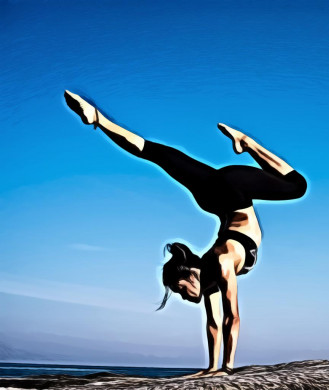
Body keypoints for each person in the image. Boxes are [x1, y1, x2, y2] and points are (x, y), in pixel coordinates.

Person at [64, 90, 307, 377]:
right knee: (155, 153)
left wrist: (226, 370)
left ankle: (248, 142)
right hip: (215, 197)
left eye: (180, 288)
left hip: (233, 192)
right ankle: (98, 120)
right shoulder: (210, 273)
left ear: (192, 272)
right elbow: (214, 324)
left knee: (297, 186)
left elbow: (233, 317)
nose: (182, 296)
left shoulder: (219, 262)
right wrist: (210, 369)